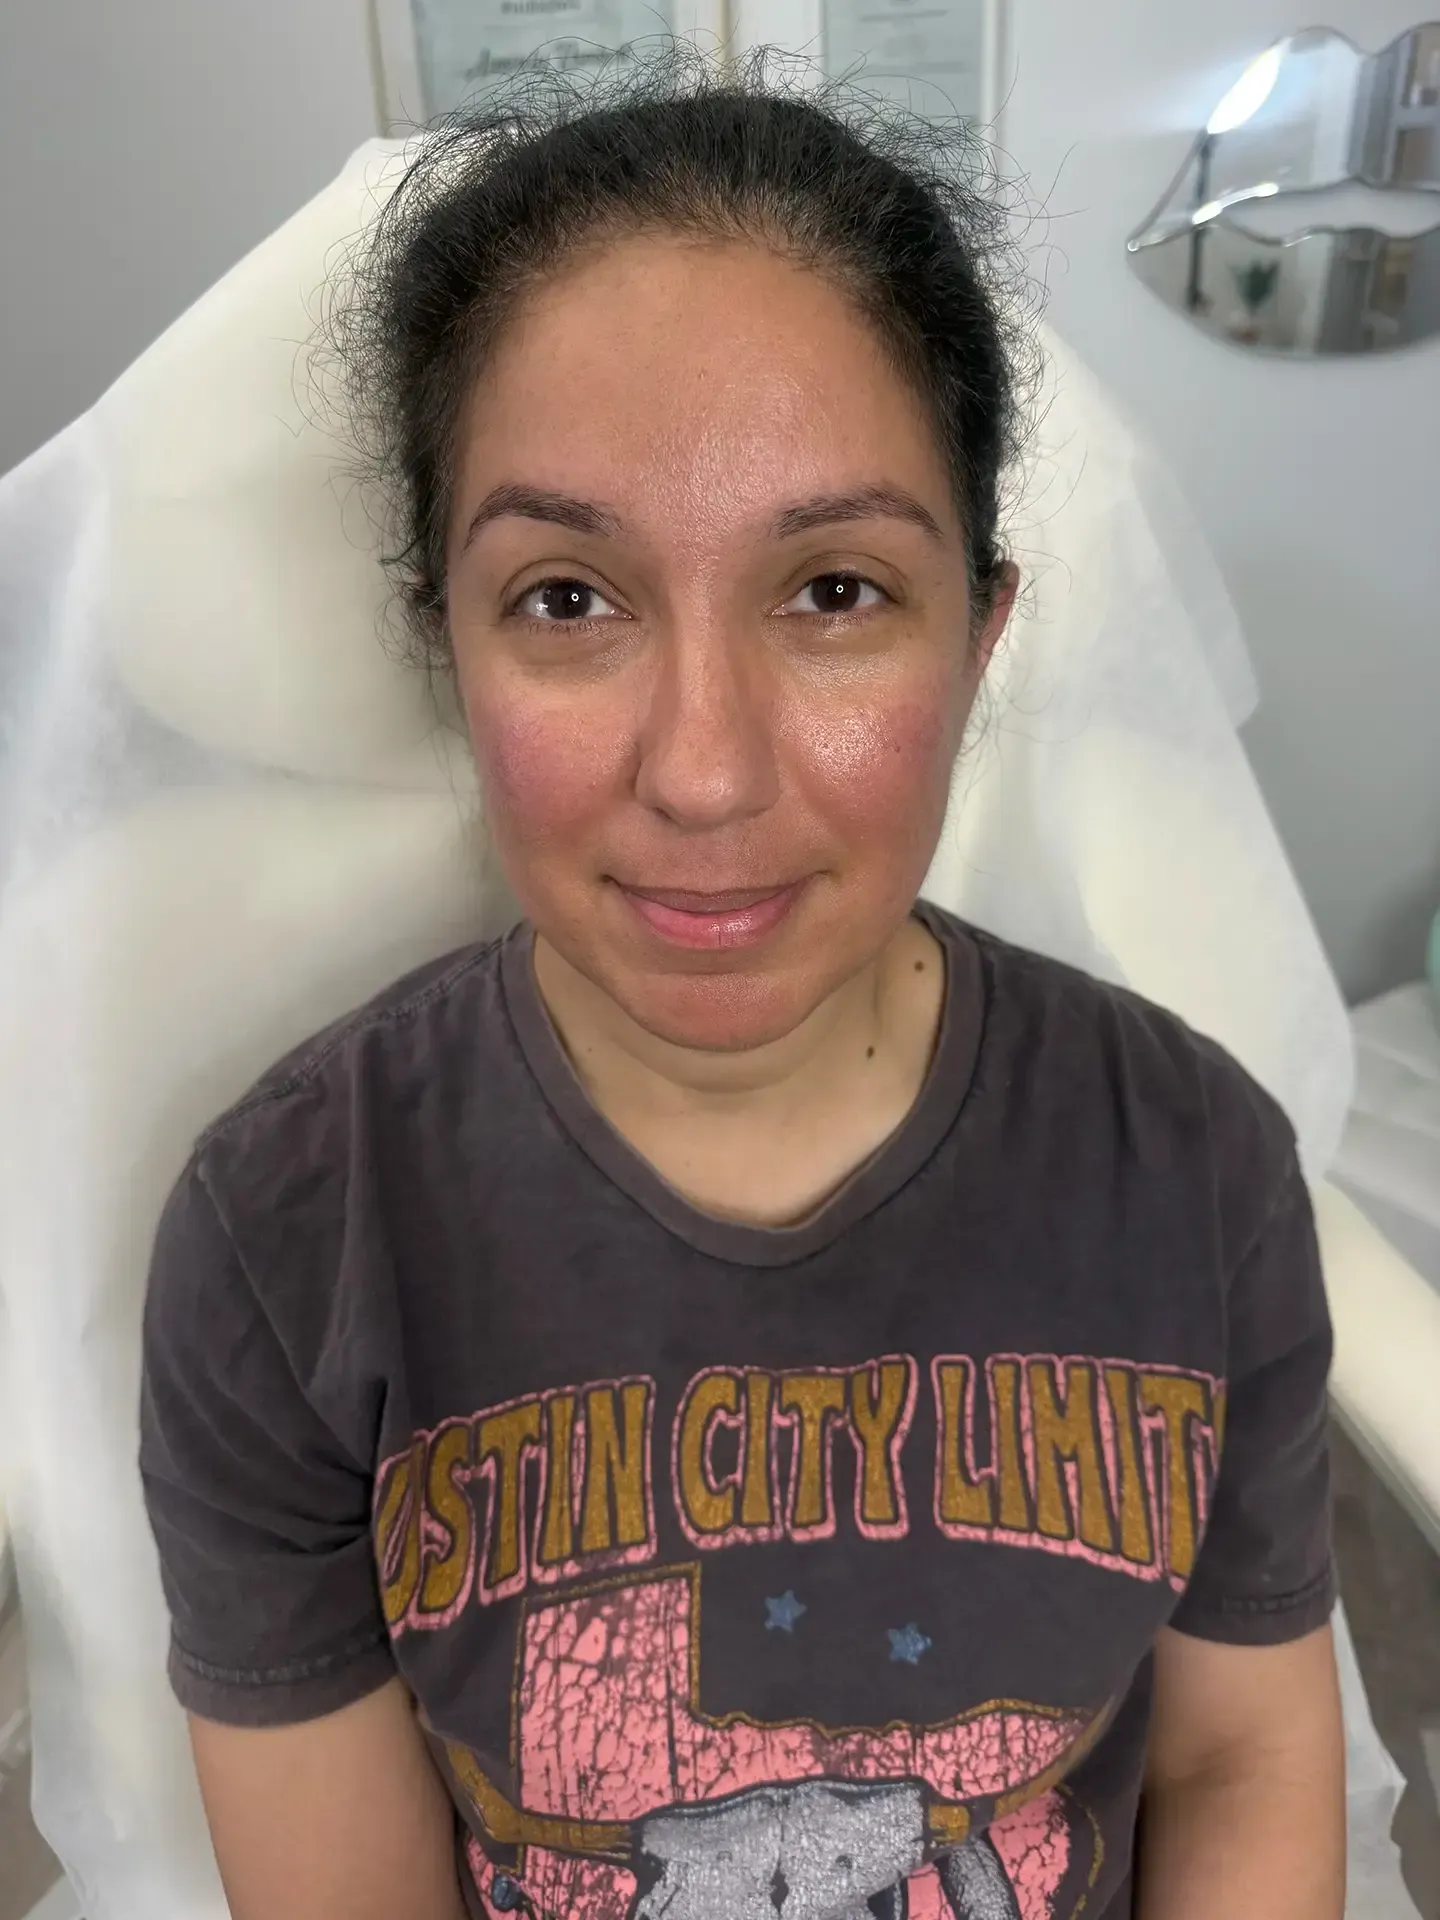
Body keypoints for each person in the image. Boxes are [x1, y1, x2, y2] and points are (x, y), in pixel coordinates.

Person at [138, 53, 1344, 1920]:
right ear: (440, 640)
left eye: (838, 591)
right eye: (567, 599)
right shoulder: (288, 1237)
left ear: (981, 634)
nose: (703, 769)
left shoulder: (1196, 1169)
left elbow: (1239, 1756)